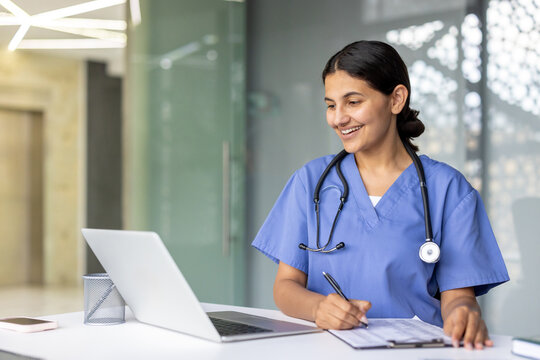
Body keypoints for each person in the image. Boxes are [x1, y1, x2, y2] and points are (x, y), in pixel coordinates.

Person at [251, 40, 509, 350]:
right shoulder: (311, 182)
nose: (338, 118)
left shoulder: (447, 189)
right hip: (324, 351)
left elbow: (459, 297)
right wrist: (319, 308)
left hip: (417, 353)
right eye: (331, 105)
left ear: (397, 99)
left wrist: (463, 314)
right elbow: (286, 287)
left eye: (353, 102)